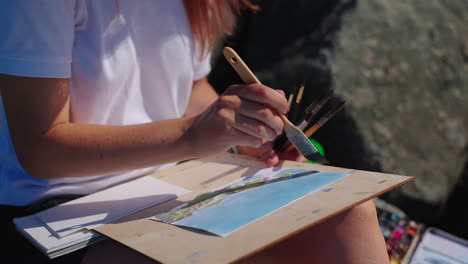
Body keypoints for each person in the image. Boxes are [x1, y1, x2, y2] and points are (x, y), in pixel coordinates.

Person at [0, 1, 388, 263]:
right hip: (59, 212)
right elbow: (41, 148)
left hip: (165, 183)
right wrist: (192, 136)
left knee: (350, 213)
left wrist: (245, 133)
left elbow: (188, 88)